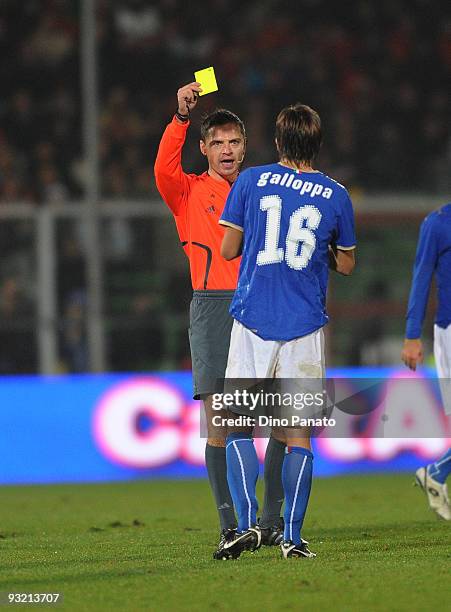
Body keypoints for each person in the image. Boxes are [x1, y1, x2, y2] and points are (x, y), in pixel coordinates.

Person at [154, 82, 288, 557]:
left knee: (276, 418)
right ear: (205, 149)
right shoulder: (187, 191)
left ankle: (271, 522)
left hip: (261, 305)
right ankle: (232, 525)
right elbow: (163, 168)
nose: (228, 150)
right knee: (221, 421)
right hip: (212, 306)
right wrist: (180, 117)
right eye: (219, 143)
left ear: (245, 147)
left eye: (235, 142)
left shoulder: (261, 191)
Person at [218, 103, 356, 559]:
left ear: (278, 142)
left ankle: (242, 526)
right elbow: (349, 263)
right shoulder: (336, 194)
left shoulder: (251, 179)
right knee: (297, 433)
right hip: (304, 325)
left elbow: (228, 248)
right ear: (317, 143)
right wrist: (322, 250)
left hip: (253, 317)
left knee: (238, 425)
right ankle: (292, 539)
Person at [402, 203, 451, 521]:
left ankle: (436, 472)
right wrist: (411, 335)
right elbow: (421, 277)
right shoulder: (437, 223)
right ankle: (436, 472)